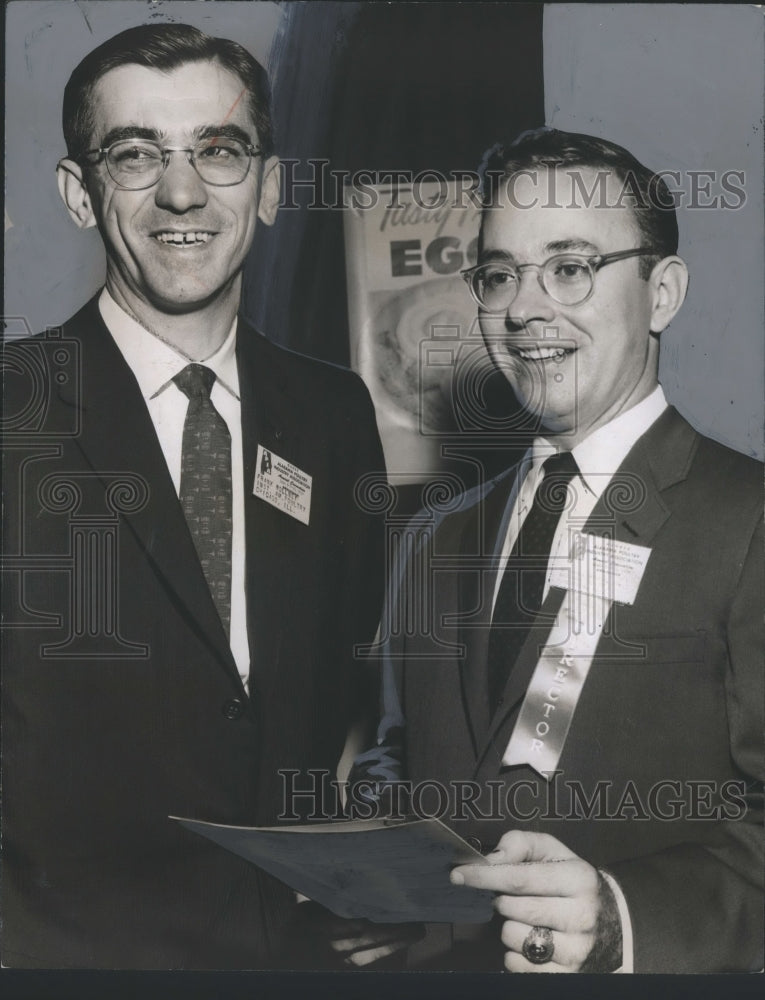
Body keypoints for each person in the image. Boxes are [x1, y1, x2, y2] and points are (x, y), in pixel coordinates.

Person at [1, 23, 387, 969]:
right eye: (136, 155)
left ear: (267, 186)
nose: (183, 193)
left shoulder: (332, 413)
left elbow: (352, 684)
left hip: (295, 956)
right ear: (79, 194)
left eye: (218, 151)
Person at [354, 129, 763, 973]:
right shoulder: (433, 537)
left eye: (570, 268)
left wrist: (623, 918)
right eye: (499, 274)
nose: (524, 309)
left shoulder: (746, 520)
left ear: (661, 293)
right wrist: (370, 882)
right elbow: (398, 755)